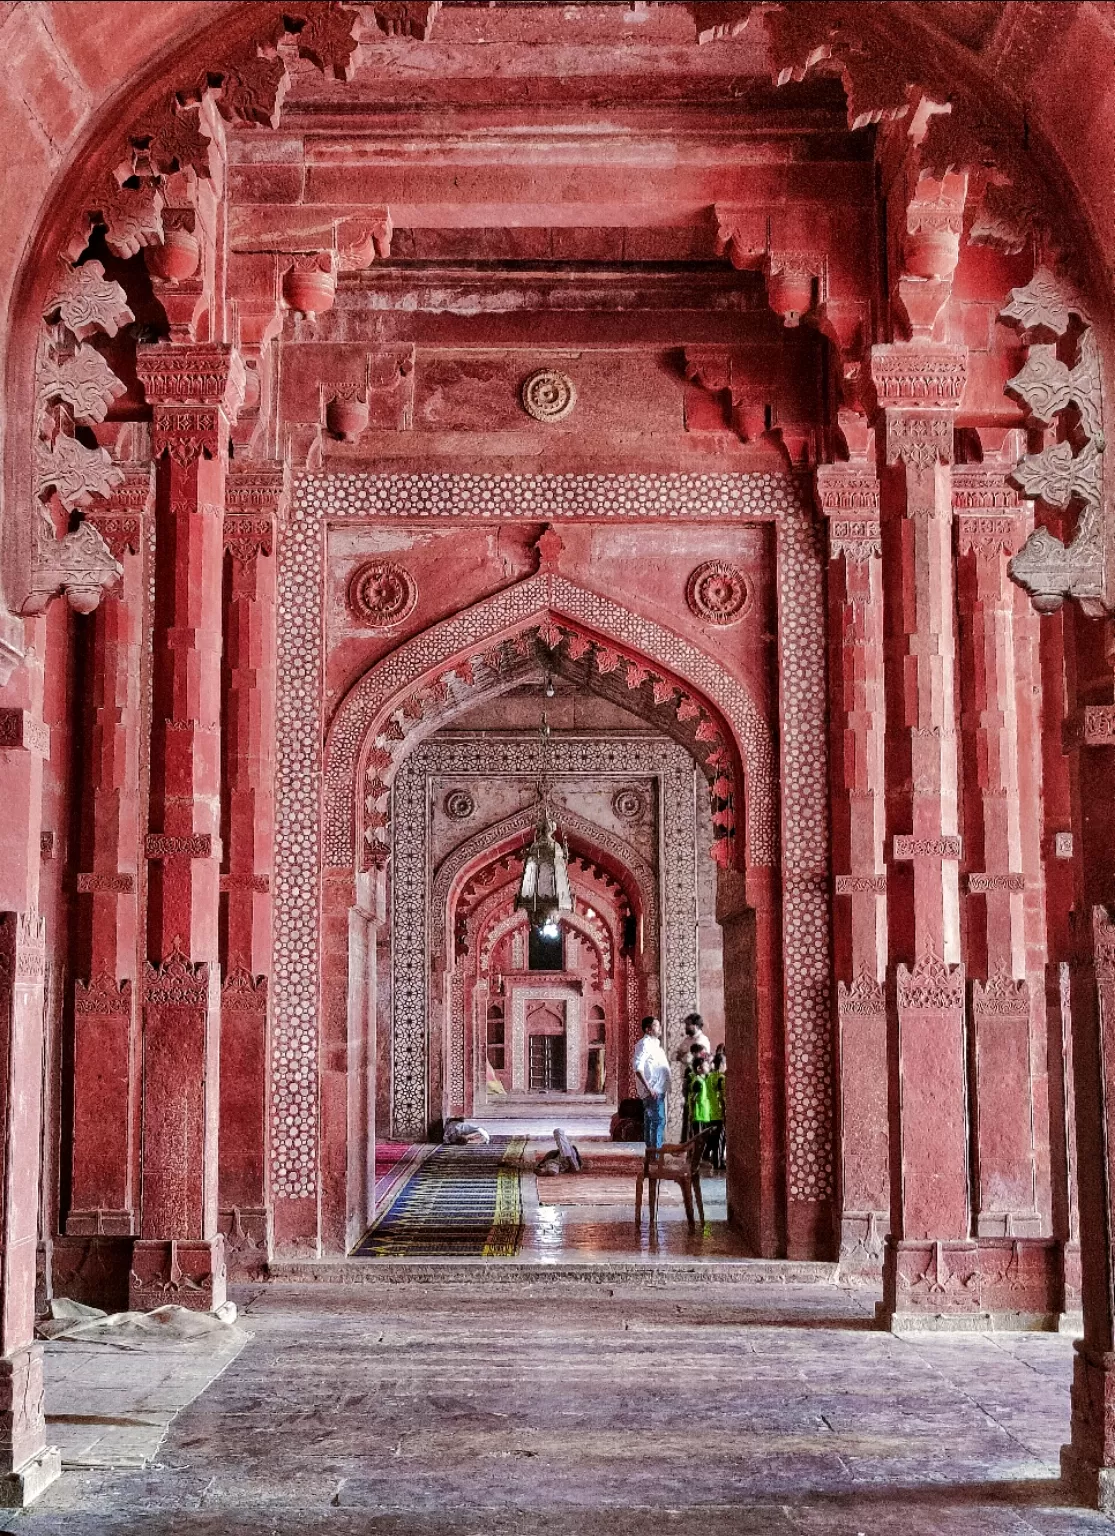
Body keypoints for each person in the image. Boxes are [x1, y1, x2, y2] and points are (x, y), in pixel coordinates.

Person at [632, 1015, 671, 1150]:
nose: (659, 1028)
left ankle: (652, 1155)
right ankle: (655, 1156)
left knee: (652, 1122)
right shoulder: (644, 1044)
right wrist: (649, 1088)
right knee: (657, 1121)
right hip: (652, 1091)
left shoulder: (655, 1045)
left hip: (656, 1090)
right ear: (648, 1029)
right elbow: (638, 1068)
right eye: (656, 1026)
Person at [704, 1047, 727, 1172]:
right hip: (718, 1112)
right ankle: (718, 1161)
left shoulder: (709, 1077)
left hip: (710, 1111)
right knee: (720, 1139)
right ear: (722, 1064)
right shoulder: (721, 1078)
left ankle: (714, 1158)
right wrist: (725, 1112)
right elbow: (723, 1097)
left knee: (714, 1137)